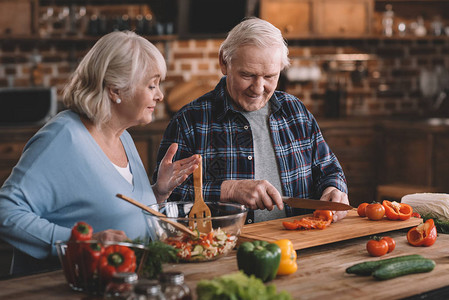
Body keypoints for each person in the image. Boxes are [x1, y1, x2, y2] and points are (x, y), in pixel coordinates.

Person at [0, 31, 200, 275]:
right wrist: (82, 242)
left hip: (117, 282)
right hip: (62, 287)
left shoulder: (122, 136)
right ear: (115, 90)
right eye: (151, 85)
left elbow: (116, 211)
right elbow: (6, 212)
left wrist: (159, 192)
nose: (160, 95)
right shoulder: (63, 137)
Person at [154, 17, 349, 225]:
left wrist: (334, 189)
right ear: (224, 62)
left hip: (301, 245)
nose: (258, 88)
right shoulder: (189, 122)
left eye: (270, 76)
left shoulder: (297, 113)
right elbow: (166, 199)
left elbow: (329, 170)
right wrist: (228, 190)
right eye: (247, 75)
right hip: (226, 250)